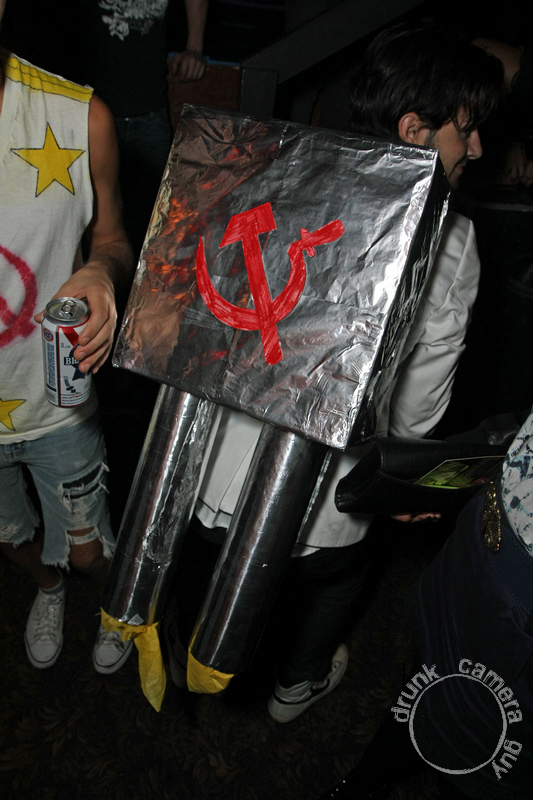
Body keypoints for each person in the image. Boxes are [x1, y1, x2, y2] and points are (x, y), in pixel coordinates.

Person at [167, 23, 502, 720]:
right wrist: (401, 480)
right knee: (338, 578)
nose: (476, 149)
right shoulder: (451, 240)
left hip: (210, 469)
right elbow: (416, 405)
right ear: (414, 129)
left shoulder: (276, 171)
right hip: (321, 503)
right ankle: (297, 683)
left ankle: (186, 662)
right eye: (466, 130)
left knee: (206, 578)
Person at [0, 0, 133, 673]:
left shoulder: (80, 117)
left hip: (57, 398)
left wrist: (102, 271)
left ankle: (117, 608)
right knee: (11, 536)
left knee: (91, 551)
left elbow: (112, 239)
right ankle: (46, 590)